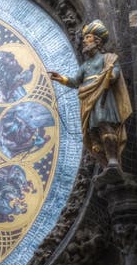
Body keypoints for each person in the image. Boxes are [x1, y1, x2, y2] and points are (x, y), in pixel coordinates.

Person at [49, 20, 132, 170]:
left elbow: (115, 73)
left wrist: (110, 76)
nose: (84, 41)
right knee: (92, 131)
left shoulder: (108, 59)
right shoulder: (85, 66)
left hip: (103, 97)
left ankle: (113, 159)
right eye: (85, 38)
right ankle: (105, 162)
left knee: (104, 124)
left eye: (88, 37)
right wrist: (61, 78)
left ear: (97, 41)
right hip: (88, 99)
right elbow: (75, 81)